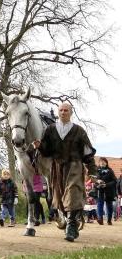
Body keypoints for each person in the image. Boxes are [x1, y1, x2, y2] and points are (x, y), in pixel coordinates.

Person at [32, 102, 97, 242]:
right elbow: (47, 151)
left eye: (66, 110)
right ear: (58, 112)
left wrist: (92, 171)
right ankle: (68, 221)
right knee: (60, 197)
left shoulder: (79, 131)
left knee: (73, 193)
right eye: (61, 110)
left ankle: (71, 227)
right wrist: (40, 147)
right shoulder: (50, 130)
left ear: (71, 112)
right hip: (57, 168)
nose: (63, 112)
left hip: (75, 166)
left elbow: (88, 154)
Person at [95, 157, 117, 225]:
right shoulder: (96, 170)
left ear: (106, 163)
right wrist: (97, 181)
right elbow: (93, 179)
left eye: (104, 161)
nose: (102, 162)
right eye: (101, 161)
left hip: (109, 191)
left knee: (109, 206)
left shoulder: (110, 171)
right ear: (99, 163)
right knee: (99, 204)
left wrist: (106, 185)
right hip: (99, 190)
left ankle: (109, 220)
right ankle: (100, 219)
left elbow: (115, 181)